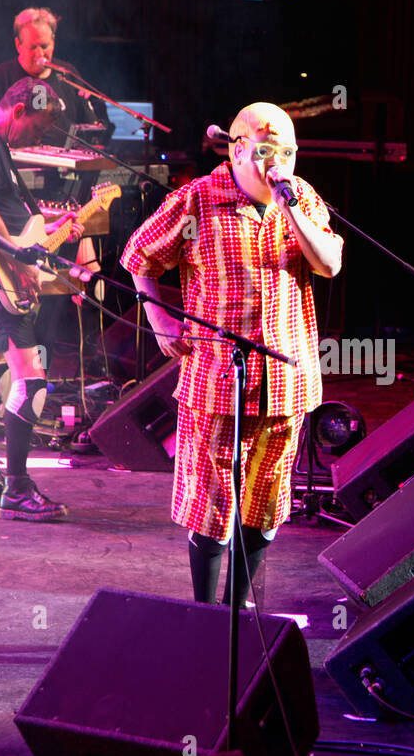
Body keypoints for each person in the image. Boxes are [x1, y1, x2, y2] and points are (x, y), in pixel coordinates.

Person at [122, 102, 342, 608]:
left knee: (265, 504)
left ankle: (237, 606)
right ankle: (205, 615)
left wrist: (289, 206)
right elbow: (139, 258)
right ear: (239, 148)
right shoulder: (197, 200)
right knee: (211, 507)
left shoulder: (301, 198)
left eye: (288, 152)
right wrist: (160, 322)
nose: (279, 162)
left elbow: (329, 263)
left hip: (286, 384)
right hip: (217, 381)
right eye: (268, 150)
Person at [0, 78, 83, 520]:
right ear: (20, 108)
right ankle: (18, 490)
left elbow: (5, 211)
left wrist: (54, 225)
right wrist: (21, 258)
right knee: (32, 384)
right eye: (39, 128)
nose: (38, 138)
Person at [0, 7, 108, 134]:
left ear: (53, 42)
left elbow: (89, 124)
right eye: (33, 47)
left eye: (44, 46)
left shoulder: (67, 74)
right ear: (18, 45)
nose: (39, 54)